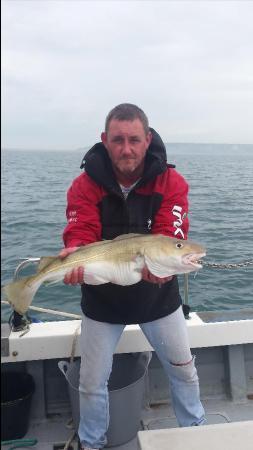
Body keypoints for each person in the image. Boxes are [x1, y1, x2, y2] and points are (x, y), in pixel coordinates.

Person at [60, 103, 205, 450]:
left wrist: (164, 266)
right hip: (102, 299)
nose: (127, 149)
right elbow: (80, 230)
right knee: (92, 382)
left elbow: (172, 232)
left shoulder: (171, 182)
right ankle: (91, 443)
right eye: (118, 140)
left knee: (184, 370)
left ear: (148, 139)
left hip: (158, 299)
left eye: (134, 140)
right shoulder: (84, 185)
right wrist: (75, 252)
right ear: (104, 141)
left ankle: (197, 433)